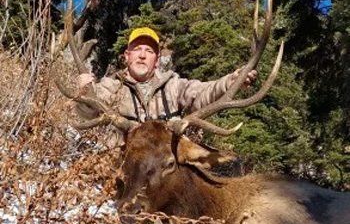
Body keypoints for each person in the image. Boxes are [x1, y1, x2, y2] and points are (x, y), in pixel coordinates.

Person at [76, 27, 257, 144]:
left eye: (149, 51)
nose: (142, 55)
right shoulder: (111, 87)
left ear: (156, 61)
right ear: (127, 56)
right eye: (137, 49)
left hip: (167, 167)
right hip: (122, 166)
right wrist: (85, 94)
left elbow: (202, 93)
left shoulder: (172, 86)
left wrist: (230, 81)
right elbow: (86, 115)